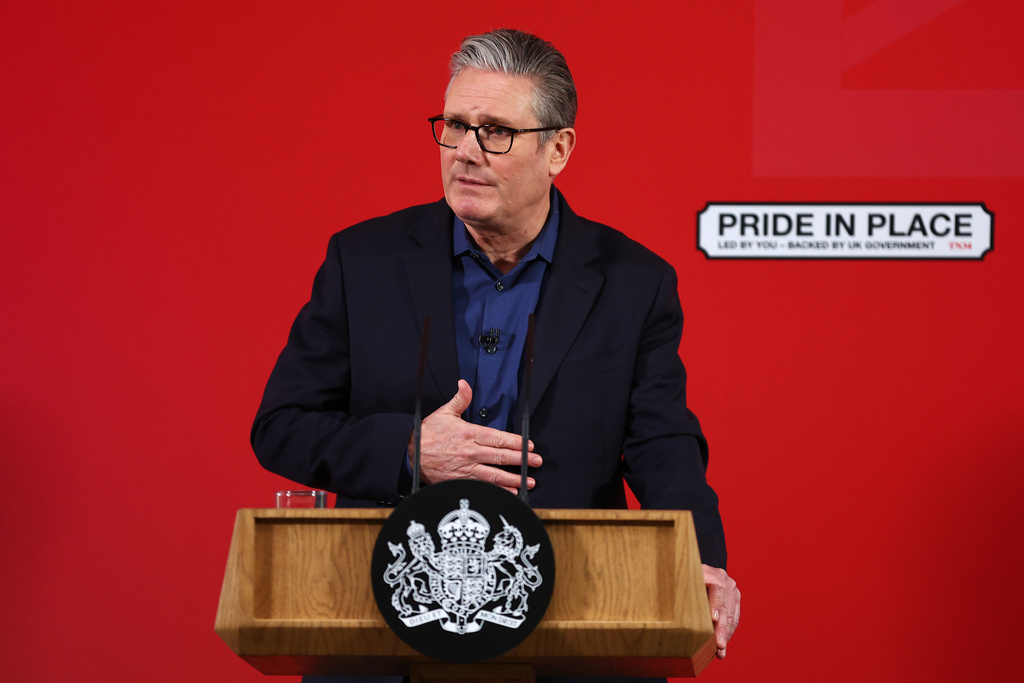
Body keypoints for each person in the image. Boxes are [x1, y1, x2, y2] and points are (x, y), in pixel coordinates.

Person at [252, 28, 740, 676]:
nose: (465, 152)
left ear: (558, 149)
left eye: (496, 132)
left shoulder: (633, 282)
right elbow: (282, 427)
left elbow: (663, 445)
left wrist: (701, 560)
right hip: (382, 631)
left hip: (572, 633)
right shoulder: (363, 262)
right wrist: (411, 450)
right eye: (455, 125)